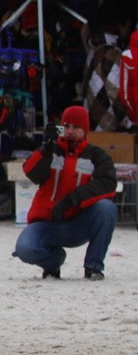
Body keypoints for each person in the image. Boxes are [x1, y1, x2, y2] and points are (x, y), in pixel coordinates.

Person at [13, 104, 117, 281]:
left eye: (76, 127)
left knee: (107, 209)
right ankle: (53, 262)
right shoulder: (50, 150)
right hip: (47, 223)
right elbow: (31, 173)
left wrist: (72, 200)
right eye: (66, 126)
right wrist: (45, 150)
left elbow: (108, 183)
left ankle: (93, 266)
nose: (70, 131)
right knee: (25, 249)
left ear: (85, 130)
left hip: (78, 223)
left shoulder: (97, 155)